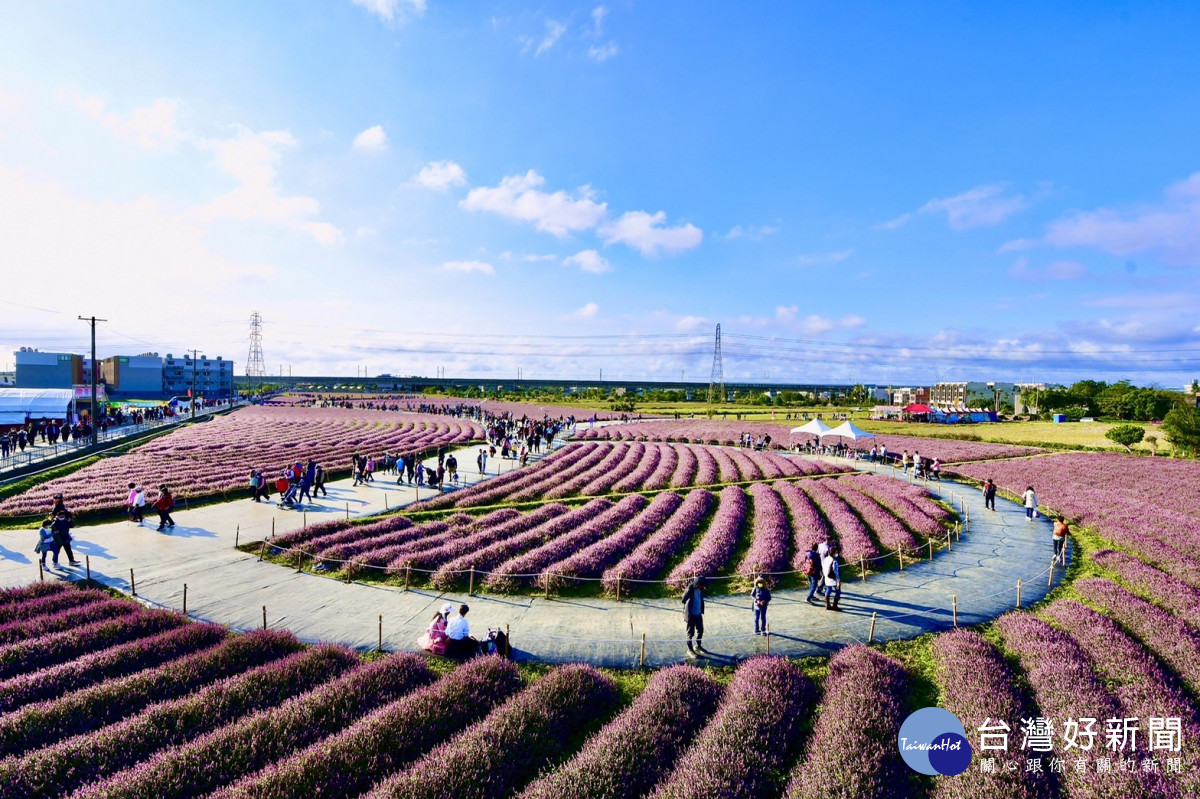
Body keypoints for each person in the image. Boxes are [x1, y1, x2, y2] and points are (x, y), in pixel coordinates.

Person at [682, 575, 706, 656]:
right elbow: (683, 599)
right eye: (702, 585)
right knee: (690, 633)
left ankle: (698, 646)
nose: (703, 587)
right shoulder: (690, 589)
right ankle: (690, 649)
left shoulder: (700, 589)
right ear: (698, 584)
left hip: (698, 613)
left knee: (700, 630)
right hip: (691, 615)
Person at [822, 545, 842, 611]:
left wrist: (825, 576)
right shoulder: (834, 561)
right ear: (833, 553)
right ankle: (835, 606)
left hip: (827, 578)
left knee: (828, 590)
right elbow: (836, 572)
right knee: (838, 591)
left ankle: (827, 605)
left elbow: (824, 568)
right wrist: (838, 580)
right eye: (836, 552)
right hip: (834, 579)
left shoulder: (826, 559)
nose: (837, 554)